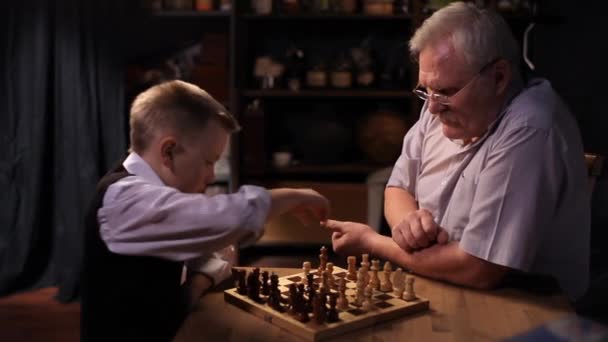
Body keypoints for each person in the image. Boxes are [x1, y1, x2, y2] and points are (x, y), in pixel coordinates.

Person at [325, 2, 589, 301]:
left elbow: (477, 269)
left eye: (447, 92)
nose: (432, 107)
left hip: (528, 304)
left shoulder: (530, 128)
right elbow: (398, 187)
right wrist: (408, 224)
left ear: (499, 77)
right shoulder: (439, 102)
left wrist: (372, 242)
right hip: (444, 284)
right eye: (426, 89)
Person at [80, 80, 330, 342]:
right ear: (168, 151)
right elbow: (221, 220)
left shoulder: (154, 195)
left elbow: (216, 244)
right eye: (208, 162)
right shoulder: (124, 200)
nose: (211, 175)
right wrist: (288, 197)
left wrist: (199, 280)